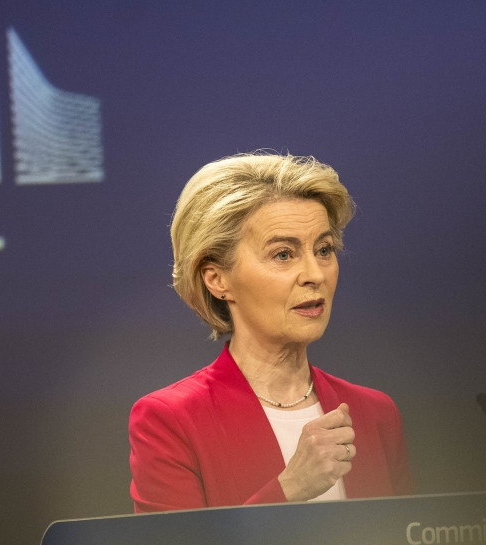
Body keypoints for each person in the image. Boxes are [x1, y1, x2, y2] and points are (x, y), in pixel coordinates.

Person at [129, 153, 413, 512]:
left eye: (324, 250)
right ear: (217, 279)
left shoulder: (374, 413)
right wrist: (290, 487)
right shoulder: (170, 420)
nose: (315, 274)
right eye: (283, 254)